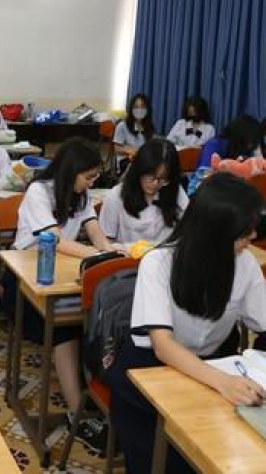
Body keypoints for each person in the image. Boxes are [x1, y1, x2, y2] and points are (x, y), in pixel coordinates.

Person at [110, 172, 266, 474]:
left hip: (213, 367)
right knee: (172, 462)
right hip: (150, 372)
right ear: (216, 232)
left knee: (229, 455)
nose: (253, 237)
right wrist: (222, 383)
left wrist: (222, 381)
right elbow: (163, 347)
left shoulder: (244, 263)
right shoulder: (158, 263)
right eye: (244, 231)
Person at [7, 137, 117, 453]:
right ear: (71, 171)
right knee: (66, 331)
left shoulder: (79, 194)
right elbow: (54, 239)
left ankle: (92, 396)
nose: (92, 183)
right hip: (24, 278)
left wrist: (109, 251)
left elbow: (93, 228)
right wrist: (99, 257)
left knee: (94, 321)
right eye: (89, 177)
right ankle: (76, 413)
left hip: (62, 273)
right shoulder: (39, 192)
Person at [99, 139, 188, 243]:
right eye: (150, 176)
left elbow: (189, 226)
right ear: (139, 171)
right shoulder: (116, 196)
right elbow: (106, 240)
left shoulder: (175, 191)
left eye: (163, 179)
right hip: (129, 253)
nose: (155, 184)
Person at [188, 115, 262, 194]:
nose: (254, 144)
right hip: (204, 191)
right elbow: (205, 177)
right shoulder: (214, 145)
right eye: (254, 139)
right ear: (244, 135)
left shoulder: (243, 149)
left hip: (228, 190)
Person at [113, 93, 155, 173]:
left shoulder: (149, 127)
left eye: (142, 107)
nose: (139, 110)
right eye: (136, 107)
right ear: (131, 109)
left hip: (142, 160)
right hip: (126, 161)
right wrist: (131, 151)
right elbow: (116, 148)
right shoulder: (122, 126)